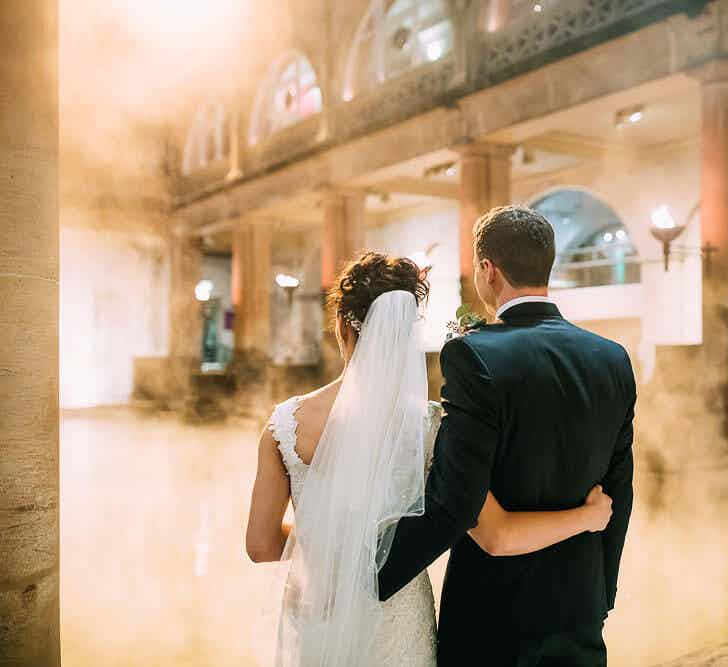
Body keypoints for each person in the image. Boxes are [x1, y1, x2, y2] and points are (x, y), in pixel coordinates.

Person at [245, 251, 615, 666]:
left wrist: (327, 539)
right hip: (396, 621)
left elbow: (260, 546)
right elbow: (495, 533)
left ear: (341, 325)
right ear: (405, 334)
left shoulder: (285, 426)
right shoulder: (429, 427)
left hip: (315, 613)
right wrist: (587, 517)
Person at [378, 206, 636, 667]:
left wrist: (372, 579)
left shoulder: (473, 356)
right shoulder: (612, 358)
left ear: (487, 270)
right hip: (579, 609)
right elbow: (620, 491)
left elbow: (455, 502)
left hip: (494, 620)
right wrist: (601, 595)